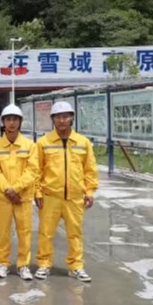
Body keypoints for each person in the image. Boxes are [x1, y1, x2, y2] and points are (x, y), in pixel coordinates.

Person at [34, 101, 98, 282]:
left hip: (75, 197)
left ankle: (76, 266)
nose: (62, 120)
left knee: (75, 233)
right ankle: (44, 264)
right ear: (52, 119)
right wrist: (37, 192)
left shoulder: (83, 142)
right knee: (46, 233)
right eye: (58, 117)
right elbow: (36, 170)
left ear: (71, 118)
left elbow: (90, 169)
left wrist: (90, 191)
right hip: (50, 196)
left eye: (65, 116)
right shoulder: (43, 143)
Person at [0, 104, 39, 280]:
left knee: (24, 232)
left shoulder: (29, 145)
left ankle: (23, 265)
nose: (11, 123)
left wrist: (16, 188)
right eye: (8, 119)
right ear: (3, 122)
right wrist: (7, 189)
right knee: (3, 232)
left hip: (22, 197)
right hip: (3, 198)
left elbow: (32, 170)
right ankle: (2, 263)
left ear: (20, 122)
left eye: (15, 119)